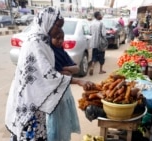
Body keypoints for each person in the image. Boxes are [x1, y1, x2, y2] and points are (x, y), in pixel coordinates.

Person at [5, 7, 95, 141]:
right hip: (29, 101)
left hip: (38, 101)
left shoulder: (44, 40)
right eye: (57, 26)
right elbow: (47, 75)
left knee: (40, 133)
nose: (59, 30)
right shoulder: (35, 42)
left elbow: (48, 70)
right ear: (47, 22)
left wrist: (61, 72)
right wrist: (78, 81)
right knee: (30, 133)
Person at [47, 28, 80, 141]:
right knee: (54, 126)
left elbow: (76, 68)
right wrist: (65, 72)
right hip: (54, 95)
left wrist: (65, 69)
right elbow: (53, 74)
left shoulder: (62, 52)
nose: (60, 41)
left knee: (64, 123)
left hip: (65, 93)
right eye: (57, 38)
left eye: (62, 38)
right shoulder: (49, 54)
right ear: (50, 38)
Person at [89, 11, 107, 75]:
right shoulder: (101, 23)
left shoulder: (92, 23)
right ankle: (100, 70)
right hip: (100, 43)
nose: (101, 16)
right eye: (100, 15)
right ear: (97, 16)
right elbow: (104, 33)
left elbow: (90, 32)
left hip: (94, 43)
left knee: (94, 56)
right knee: (101, 57)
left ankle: (92, 67)